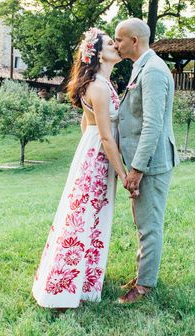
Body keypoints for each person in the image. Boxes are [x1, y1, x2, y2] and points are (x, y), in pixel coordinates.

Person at [32, 28, 127, 308]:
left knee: (92, 216)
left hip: (91, 151)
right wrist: (122, 173)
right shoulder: (98, 86)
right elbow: (106, 135)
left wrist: (87, 147)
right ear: (98, 53)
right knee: (84, 216)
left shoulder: (102, 83)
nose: (116, 46)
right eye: (111, 44)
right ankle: (63, 286)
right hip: (98, 155)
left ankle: (84, 280)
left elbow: (86, 124)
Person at [114, 18, 179, 304]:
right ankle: (143, 274)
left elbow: (152, 125)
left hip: (151, 163)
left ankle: (145, 286)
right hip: (143, 162)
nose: (116, 45)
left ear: (134, 41)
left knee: (149, 224)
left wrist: (137, 169)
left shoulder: (152, 71)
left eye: (119, 39)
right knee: (143, 221)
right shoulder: (140, 67)